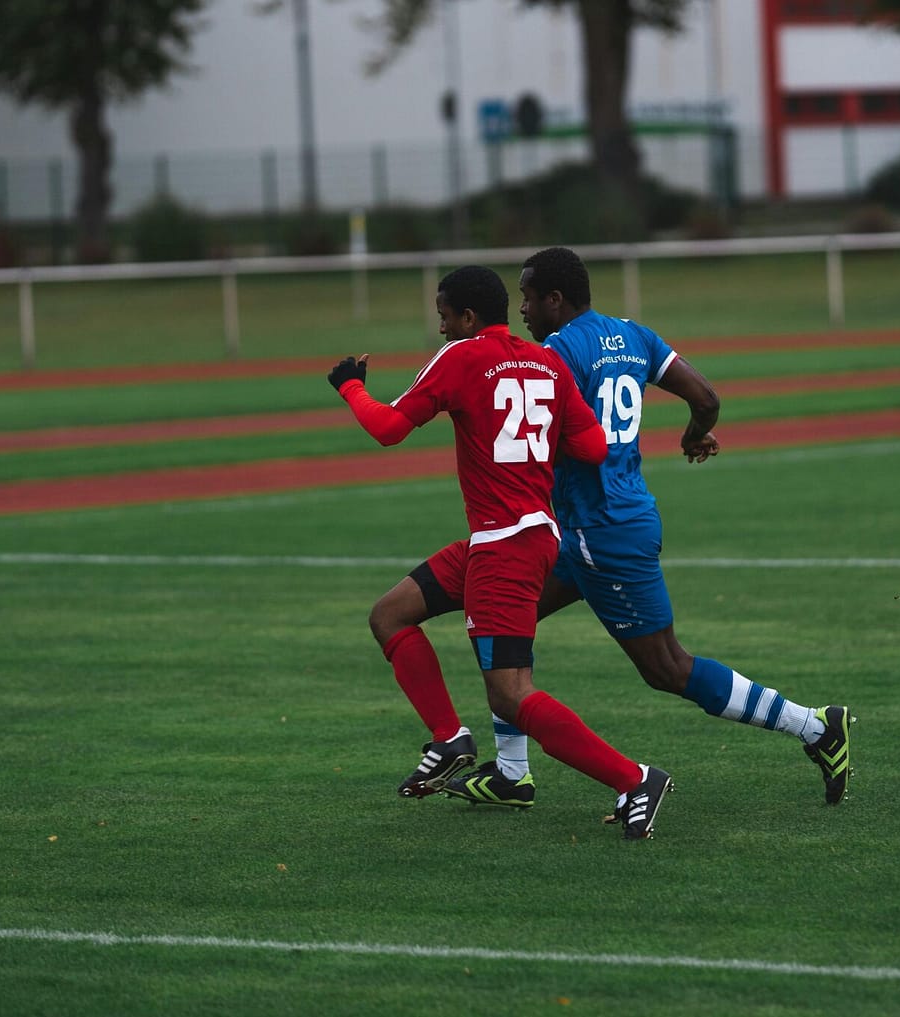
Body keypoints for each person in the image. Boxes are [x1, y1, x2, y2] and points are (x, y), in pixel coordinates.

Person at [379, 245, 851, 812]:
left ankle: (816, 727)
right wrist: (693, 435)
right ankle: (510, 772)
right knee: (502, 630)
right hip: (576, 529)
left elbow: (536, 433)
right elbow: (706, 398)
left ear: (556, 299)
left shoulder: (552, 354)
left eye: (529, 298)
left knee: (667, 668)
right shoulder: (634, 335)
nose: (523, 309)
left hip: (600, 530)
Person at [330, 265, 672, 840]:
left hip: (503, 549)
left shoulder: (461, 357)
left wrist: (350, 385)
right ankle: (449, 739)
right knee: (390, 614)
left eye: (443, 316)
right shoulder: (548, 362)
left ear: (467, 317)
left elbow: (389, 428)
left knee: (511, 696)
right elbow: (591, 446)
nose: (441, 328)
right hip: (523, 536)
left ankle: (634, 778)